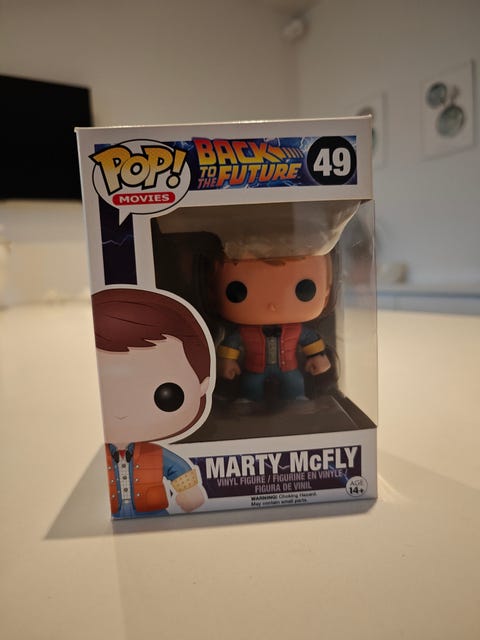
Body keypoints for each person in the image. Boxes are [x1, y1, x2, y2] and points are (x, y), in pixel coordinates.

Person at [92, 288, 213, 518]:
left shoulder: (155, 454)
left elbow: (178, 469)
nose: (120, 411)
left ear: (202, 386)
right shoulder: (96, 458)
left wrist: (189, 491)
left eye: (165, 395)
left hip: (154, 517)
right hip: (109, 518)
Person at [215, 238, 332, 405]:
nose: (272, 305)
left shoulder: (296, 330)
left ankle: (296, 399)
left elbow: (310, 339)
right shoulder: (245, 331)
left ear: (326, 293)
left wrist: (318, 356)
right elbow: (231, 342)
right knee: (250, 384)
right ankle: (248, 401)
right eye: (238, 290)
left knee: (295, 382)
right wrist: (226, 361)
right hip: (254, 368)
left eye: (304, 289)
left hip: (289, 368)